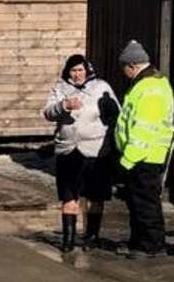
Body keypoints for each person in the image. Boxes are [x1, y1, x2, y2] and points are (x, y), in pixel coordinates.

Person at [43, 54, 120, 253]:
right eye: (73, 71)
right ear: (68, 72)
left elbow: (115, 112)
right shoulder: (60, 88)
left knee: (95, 196)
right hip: (68, 149)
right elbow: (47, 113)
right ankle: (68, 240)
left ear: (87, 70)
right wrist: (64, 106)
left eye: (80, 70)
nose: (77, 75)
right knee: (69, 196)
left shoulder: (101, 87)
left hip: (95, 150)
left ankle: (92, 236)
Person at [113, 40, 174, 259]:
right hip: (142, 155)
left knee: (145, 203)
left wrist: (128, 159)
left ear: (132, 65)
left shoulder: (151, 89)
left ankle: (151, 245)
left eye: (124, 68)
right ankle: (139, 241)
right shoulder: (147, 84)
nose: (123, 73)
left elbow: (144, 130)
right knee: (137, 201)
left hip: (145, 156)